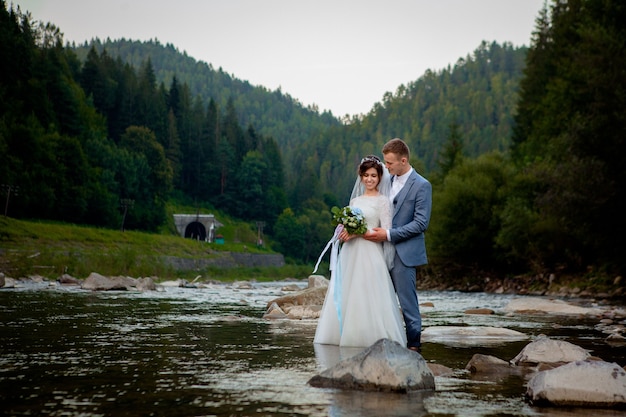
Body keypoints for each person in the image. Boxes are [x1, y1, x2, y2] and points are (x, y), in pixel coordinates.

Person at [313, 155, 407, 347]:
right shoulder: (355, 202)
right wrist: (343, 231)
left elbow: (384, 230)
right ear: (361, 177)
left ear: (380, 177)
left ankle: (371, 336)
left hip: (370, 252)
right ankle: (344, 334)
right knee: (348, 291)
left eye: (373, 175)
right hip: (351, 252)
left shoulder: (383, 202)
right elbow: (347, 227)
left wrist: (358, 232)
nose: (369, 179)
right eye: (366, 175)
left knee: (368, 292)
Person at [363, 138, 432, 352]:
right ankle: (382, 343)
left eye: (390, 163)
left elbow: (421, 223)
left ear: (403, 160)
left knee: (407, 302)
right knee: (380, 299)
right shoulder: (387, 180)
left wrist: (389, 235)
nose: (386, 166)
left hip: (405, 253)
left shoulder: (422, 185)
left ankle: (414, 346)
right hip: (380, 252)